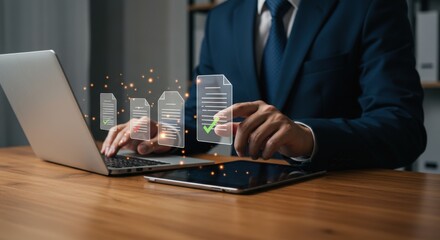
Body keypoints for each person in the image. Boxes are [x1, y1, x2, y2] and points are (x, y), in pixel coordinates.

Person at [102, 0, 426, 170]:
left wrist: (307, 137)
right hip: (241, 200)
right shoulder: (221, 19)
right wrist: (167, 134)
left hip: (336, 202)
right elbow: (205, 118)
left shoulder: (369, 6)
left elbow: (402, 128)